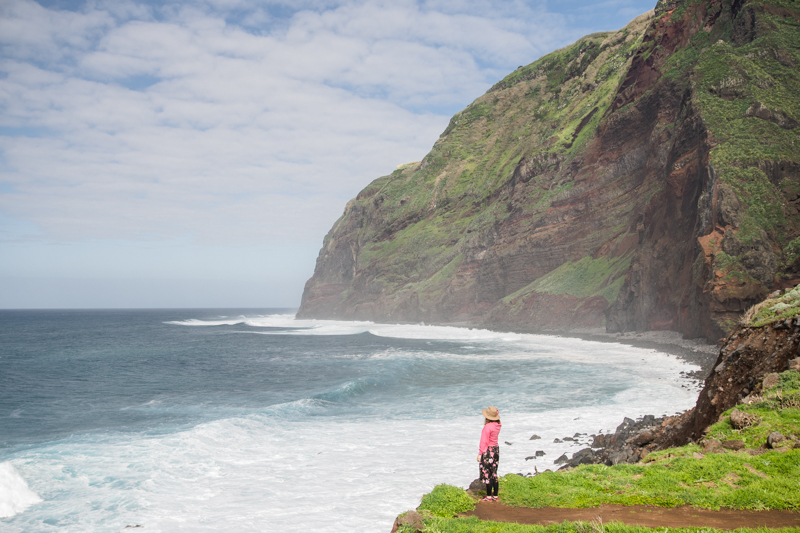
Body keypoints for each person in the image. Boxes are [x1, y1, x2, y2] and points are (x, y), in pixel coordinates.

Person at [476, 406, 501, 502]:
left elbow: (484, 442)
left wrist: (480, 454)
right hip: (495, 450)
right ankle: (495, 495)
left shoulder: (487, 427)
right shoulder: (498, 425)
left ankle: (488, 497)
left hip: (488, 451)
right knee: (494, 473)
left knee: (487, 474)